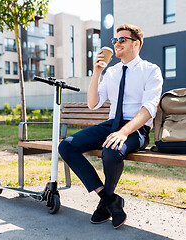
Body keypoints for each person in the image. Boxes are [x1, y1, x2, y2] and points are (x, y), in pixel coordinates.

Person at [58, 24, 163, 229]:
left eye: (122, 40)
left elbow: (149, 108)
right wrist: (97, 73)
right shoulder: (112, 72)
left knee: (112, 151)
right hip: (111, 124)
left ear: (137, 44)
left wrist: (124, 132)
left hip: (136, 128)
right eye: (115, 40)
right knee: (67, 146)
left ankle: (105, 203)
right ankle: (109, 200)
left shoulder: (151, 70)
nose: (116, 43)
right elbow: (93, 104)